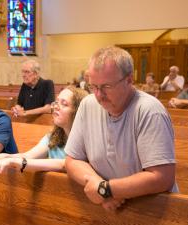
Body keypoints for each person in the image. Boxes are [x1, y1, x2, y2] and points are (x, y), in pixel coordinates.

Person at [65, 46, 177, 212]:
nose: (99, 95)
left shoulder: (149, 111)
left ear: (129, 80)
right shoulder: (88, 105)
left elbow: (162, 177)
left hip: (153, 213)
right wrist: (97, 185)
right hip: (107, 213)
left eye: (107, 87)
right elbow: (72, 160)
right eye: (93, 86)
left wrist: (107, 189)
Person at [0, 86, 87, 179]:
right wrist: (5, 156)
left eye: (64, 104)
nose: (56, 106)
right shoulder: (52, 137)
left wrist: (21, 163)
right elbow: (29, 156)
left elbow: (66, 164)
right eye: (56, 102)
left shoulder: (88, 141)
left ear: (78, 111)